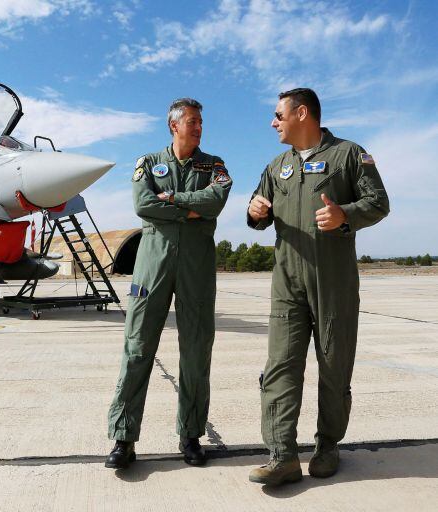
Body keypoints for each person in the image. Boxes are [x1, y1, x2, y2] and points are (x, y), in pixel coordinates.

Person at [246, 88, 389, 486]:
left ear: (302, 113)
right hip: (287, 280)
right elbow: (259, 208)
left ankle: (327, 446)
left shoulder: (348, 155)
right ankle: (282, 456)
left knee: (333, 365)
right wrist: (254, 210)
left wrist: (346, 214)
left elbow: (378, 202)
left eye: (278, 115)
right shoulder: (277, 166)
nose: (273, 122)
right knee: (280, 366)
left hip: (333, 281)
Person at [105, 98, 232, 469]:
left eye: (201, 121)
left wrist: (175, 197)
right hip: (152, 268)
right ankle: (123, 439)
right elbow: (143, 205)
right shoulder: (146, 163)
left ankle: (190, 435)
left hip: (196, 268)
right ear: (174, 125)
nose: (199, 127)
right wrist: (192, 209)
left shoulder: (215, 165)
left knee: (196, 353)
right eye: (192, 121)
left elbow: (217, 200)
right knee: (138, 349)